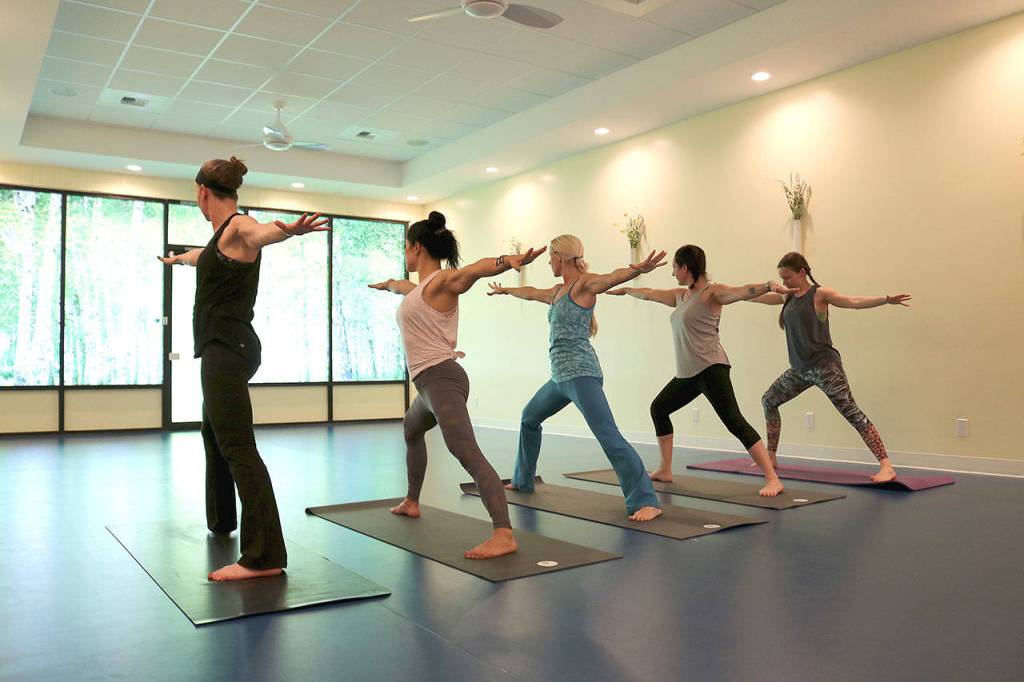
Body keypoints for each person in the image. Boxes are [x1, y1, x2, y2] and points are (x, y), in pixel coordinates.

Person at [159, 156, 328, 581]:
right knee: (213, 432)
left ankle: (264, 556)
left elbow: (259, 233)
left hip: (228, 348)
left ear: (201, 192)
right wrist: (178, 260)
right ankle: (221, 520)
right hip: (225, 347)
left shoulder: (238, 226)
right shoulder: (219, 240)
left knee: (237, 445)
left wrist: (286, 231)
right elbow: (204, 256)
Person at [368, 211, 545, 559]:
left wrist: (508, 261)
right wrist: (388, 284)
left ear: (417, 247)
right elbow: (405, 288)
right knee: (411, 429)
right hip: (428, 385)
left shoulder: (442, 281)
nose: (404, 253)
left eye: (406, 247)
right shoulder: (421, 289)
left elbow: (472, 271)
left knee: (466, 452)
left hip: (442, 379)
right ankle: (412, 501)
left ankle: (503, 533)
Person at [487, 234, 666, 521]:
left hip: (582, 374)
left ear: (560, 256)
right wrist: (505, 289)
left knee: (608, 435)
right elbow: (531, 292)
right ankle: (522, 480)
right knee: (529, 418)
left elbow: (610, 278)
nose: (548, 262)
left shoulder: (584, 285)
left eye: (550, 258)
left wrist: (637, 269)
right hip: (559, 378)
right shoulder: (558, 291)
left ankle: (647, 501)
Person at [607, 244, 792, 496]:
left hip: (711, 368)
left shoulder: (711, 293)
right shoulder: (681, 296)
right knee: (659, 408)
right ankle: (665, 469)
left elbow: (743, 292)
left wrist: (769, 285)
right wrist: (628, 289)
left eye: (674, 267)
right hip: (688, 374)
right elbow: (650, 293)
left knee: (734, 422)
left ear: (685, 267)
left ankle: (772, 478)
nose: (673, 273)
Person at [749, 251, 910, 482]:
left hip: (826, 367)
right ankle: (771, 456)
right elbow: (756, 298)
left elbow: (853, 302)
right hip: (800, 370)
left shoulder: (820, 294)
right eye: (782, 279)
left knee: (851, 412)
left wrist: (885, 299)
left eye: (788, 278)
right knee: (769, 400)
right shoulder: (787, 297)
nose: (785, 283)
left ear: (802, 272)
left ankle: (887, 466)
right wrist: (733, 294)